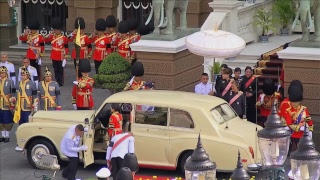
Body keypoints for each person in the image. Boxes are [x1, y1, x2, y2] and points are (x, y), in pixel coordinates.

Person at [283, 80, 313, 152]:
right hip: (293, 133)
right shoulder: (288, 110)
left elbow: (309, 119)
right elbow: (289, 122)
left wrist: (310, 129)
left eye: (296, 102)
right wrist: (298, 127)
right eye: (293, 102)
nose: (294, 104)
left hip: (303, 133)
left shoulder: (304, 109)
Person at [14, 67, 38, 151]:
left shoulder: (32, 83)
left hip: (28, 107)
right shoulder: (18, 83)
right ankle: (20, 140)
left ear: (27, 75)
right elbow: (16, 94)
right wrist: (14, 100)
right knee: (20, 125)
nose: (23, 76)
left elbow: (35, 95)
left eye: (24, 75)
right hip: (20, 107)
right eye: (22, 75)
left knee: (27, 124)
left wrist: (35, 103)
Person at [45, 18, 69, 86]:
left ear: (60, 30)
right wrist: (50, 34)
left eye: (57, 30)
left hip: (61, 55)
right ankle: (56, 80)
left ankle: (60, 81)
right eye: (55, 30)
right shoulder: (52, 37)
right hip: (54, 55)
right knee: (55, 69)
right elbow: (45, 40)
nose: (56, 31)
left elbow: (66, 47)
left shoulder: (64, 38)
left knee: (60, 70)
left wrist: (66, 56)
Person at [0, 66, 16, 143]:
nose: (1, 74)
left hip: (7, 104)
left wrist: (12, 102)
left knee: (7, 121)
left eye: (2, 73)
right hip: (0, 104)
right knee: (1, 121)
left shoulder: (10, 82)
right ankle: (2, 135)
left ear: (6, 73)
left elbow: (13, 93)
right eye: (0, 73)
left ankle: (7, 136)